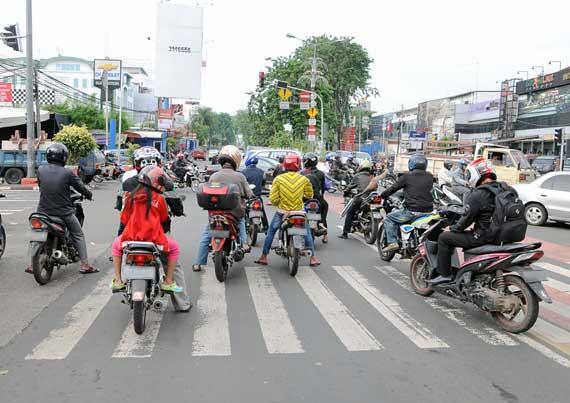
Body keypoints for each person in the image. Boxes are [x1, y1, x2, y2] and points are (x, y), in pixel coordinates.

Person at [111, 166, 183, 294]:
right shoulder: (159, 199)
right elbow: (164, 219)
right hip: (154, 240)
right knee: (175, 248)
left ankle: (117, 280)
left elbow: (124, 219)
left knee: (116, 246)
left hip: (130, 238)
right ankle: (168, 282)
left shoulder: (129, 196)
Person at [28, 143, 97, 274]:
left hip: (42, 212)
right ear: (64, 157)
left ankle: (32, 264)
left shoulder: (41, 170)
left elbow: (42, 184)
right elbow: (80, 187)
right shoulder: (67, 173)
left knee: (36, 233)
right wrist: (89, 195)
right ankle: (85, 264)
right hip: (64, 213)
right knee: (78, 234)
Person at [429, 158, 499, 284]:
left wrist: (453, 228)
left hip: (485, 237)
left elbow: (466, 219)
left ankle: (444, 274)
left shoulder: (478, 194)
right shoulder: (507, 189)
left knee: (444, 238)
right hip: (505, 236)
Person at [192, 145, 253, 272]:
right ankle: (244, 243)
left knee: (206, 235)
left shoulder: (214, 176)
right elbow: (249, 193)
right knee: (241, 220)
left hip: (215, 213)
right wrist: (251, 197)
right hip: (234, 214)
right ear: (235, 161)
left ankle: (198, 263)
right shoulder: (240, 176)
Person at [255, 154, 320, 267]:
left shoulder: (278, 179)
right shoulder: (304, 179)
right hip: (299, 212)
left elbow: (273, 199)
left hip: (282, 212)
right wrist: (301, 199)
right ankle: (313, 258)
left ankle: (264, 256)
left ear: (285, 164)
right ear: (298, 164)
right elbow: (310, 195)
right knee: (307, 232)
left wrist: (279, 203)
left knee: (271, 231)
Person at [380, 154, 434, 252]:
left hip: (412, 211)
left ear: (411, 164)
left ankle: (392, 242)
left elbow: (393, 188)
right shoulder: (430, 176)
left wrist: (383, 195)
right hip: (429, 212)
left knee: (389, 218)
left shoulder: (407, 176)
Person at [339, 159, 373, 239]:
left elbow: (350, 186)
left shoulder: (357, 176)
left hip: (360, 198)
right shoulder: (372, 177)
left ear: (361, 167)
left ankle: (345, 233)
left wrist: (346, 191)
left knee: (350, 213)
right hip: (370, 199)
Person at [301, 152, 329, 243]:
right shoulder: (321, 174)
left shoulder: (302, 173)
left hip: (304, 200)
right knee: (324, 212)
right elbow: (323, 188)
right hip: (318, 200)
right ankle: (325, 236)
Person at [241, 153, 269, 229]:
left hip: (247, 197)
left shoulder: (243, 172)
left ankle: (241, 230)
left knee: (241, 213)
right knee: (262, 211)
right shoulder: (261, 171)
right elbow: (263, 182)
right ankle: (266, 227)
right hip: (258, 197)